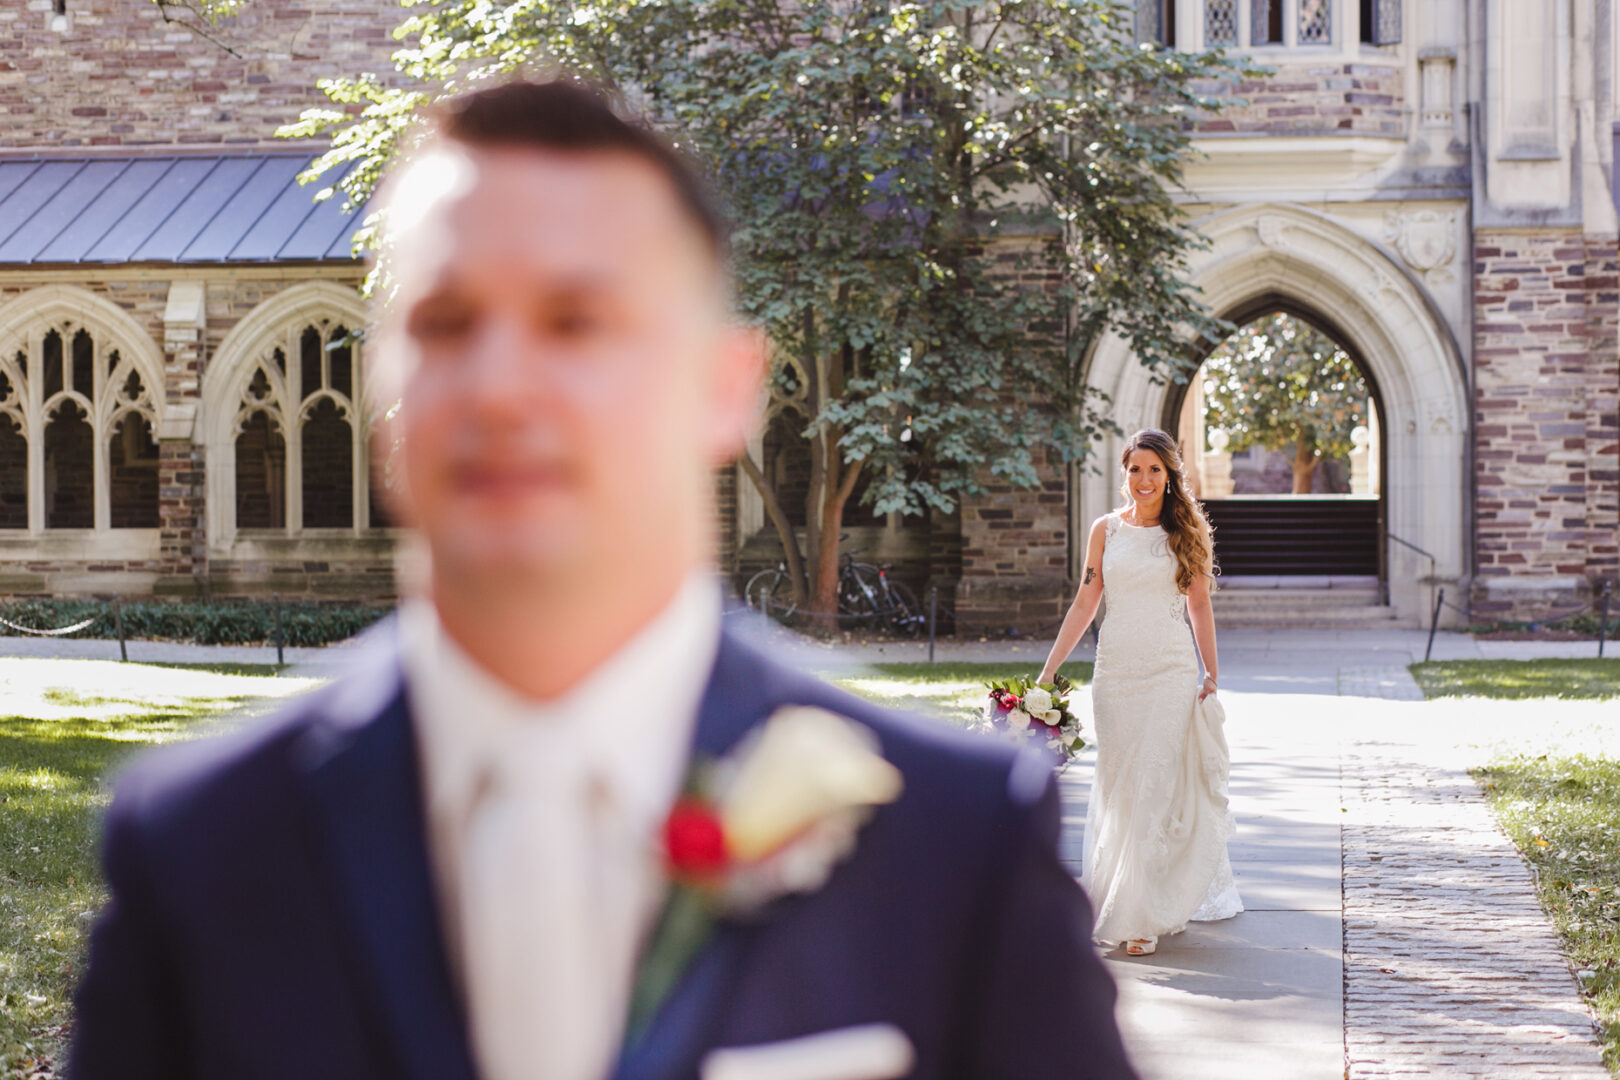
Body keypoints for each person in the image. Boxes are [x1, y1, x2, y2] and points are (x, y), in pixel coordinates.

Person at [69, 79, 1139, 1080]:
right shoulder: (197, 849)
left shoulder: (955, 842)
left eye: (576, 321)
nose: (498, 384)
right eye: (445, 323)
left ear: (724, 389)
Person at [1037, 428, 1242, 958]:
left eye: (1154, 470)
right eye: (1135, 469)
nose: (1144, 480)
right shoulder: (1105, 531)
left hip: (1171, 672)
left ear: (1170, 475)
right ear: (1124, 473)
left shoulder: (1187, 531)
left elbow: (1199, 606)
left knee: (1153, 786)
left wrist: (1210, 672)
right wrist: (1047, 672)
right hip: (1116, 673)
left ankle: (1142, 914)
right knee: (1118, 788)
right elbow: (1085, 605)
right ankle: (1118, 896)